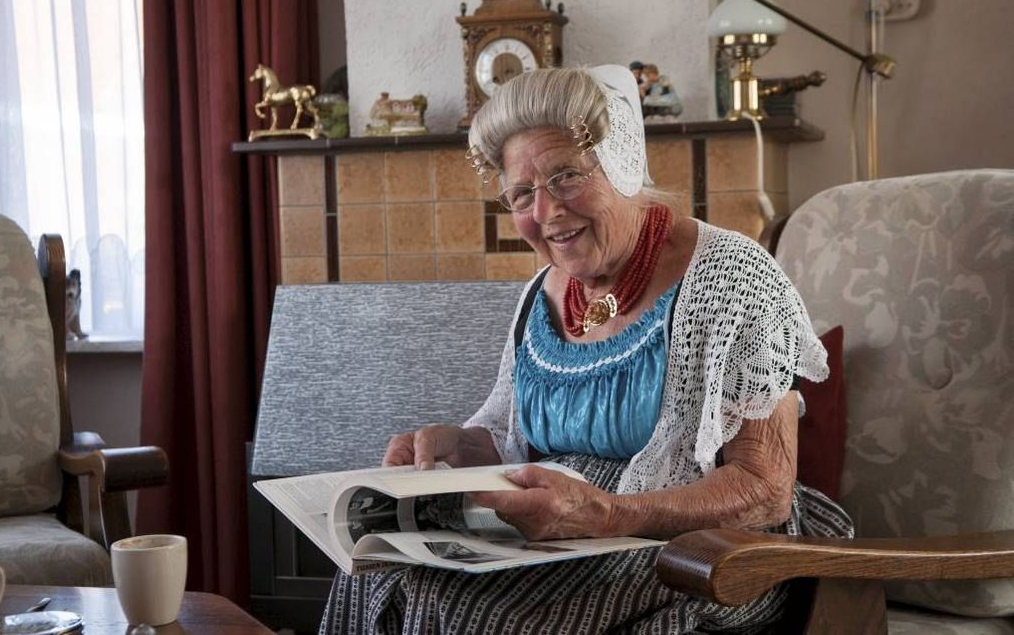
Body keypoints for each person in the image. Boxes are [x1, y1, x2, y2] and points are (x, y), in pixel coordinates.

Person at [319, 65, 853, 635]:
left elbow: (766, 491)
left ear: (621, 163)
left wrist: (609, 515)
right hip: (562, 541)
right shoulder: (540, 294)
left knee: (475, 612)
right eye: (521, 193)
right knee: (374, 573)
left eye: (567, 176)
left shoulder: (734, 278)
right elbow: (511, 441)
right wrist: (456, 447)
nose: (545, 213)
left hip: (703, 552)